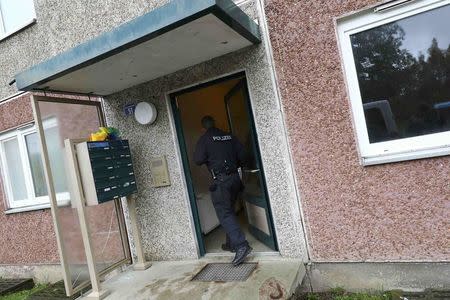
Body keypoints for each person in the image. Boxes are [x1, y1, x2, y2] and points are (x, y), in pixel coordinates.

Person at [194, 115, 252, 266]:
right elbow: (244, 155)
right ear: (215, 123)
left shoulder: (205, 139)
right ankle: (231, 243)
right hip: (235, 179)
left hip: (221, 181)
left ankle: (241, 245)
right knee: (229, 210)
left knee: (224, 213)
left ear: (203, 127)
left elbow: (198, 159)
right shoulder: (228, 136)